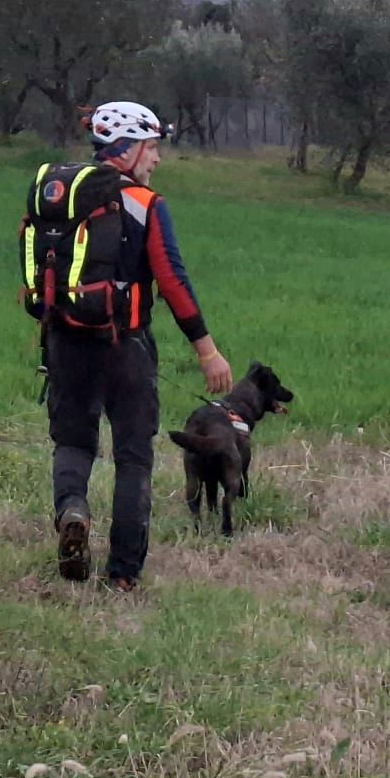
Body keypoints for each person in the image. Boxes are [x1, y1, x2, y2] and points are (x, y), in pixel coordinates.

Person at [25, 101, 231, 591]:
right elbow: (172, 282)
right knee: (133, 458)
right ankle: (123, 575)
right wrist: (206, 348)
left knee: (73, 442)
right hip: (126, 349)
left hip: (64, 341)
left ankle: (73, 511)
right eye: (152, 146)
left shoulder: (60, 194)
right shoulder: (145, 203)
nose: (157, 159)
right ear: (127, 148)